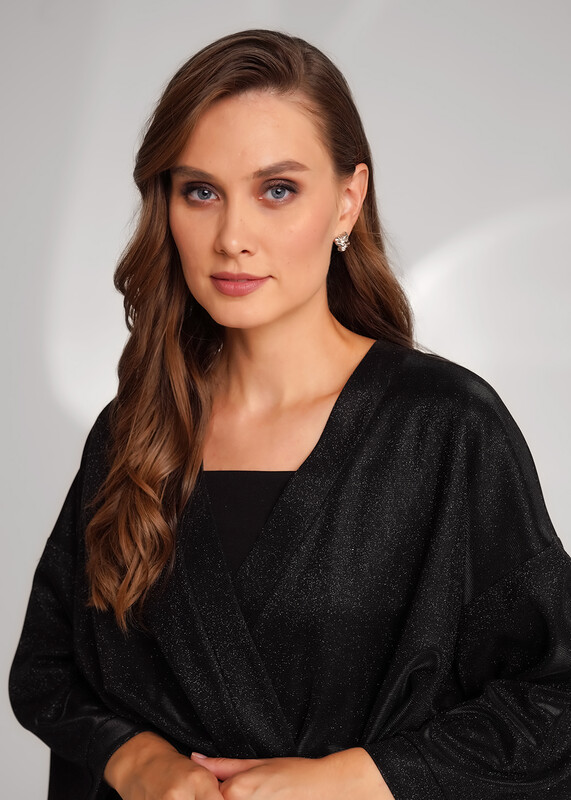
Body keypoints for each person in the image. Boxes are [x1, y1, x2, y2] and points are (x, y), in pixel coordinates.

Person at [9, 28, 571, 800]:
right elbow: (49, 667)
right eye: (200, 191)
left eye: (276, 190)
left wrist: (348, 780)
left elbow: (554, 699)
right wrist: (136, 760)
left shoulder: (443, 427)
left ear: (347, 201)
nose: (232, 238)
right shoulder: (133, 430)